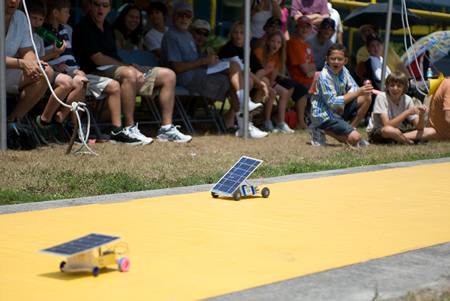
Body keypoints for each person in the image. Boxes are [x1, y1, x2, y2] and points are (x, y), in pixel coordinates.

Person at [73, 0, 192, 143]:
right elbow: (98, 59)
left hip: (116, 69)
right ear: (90, 5)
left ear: (110, 7)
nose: (101, 8)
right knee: (129, 73)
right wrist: (128, 68)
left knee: (169, 75)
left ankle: (166, 129)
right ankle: (128, 129)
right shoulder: (83, 27)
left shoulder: (108, 27)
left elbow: (112, 56)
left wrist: (128, 66)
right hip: (94, 72)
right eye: (97, 4)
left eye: (105, 5)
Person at [39, 0, 147, 145]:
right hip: (60, 72)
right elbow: (40, 58)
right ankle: (68, 123)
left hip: (76, 70)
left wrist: (77, 68)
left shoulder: (68, 30)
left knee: (114, 86)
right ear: (55, 13)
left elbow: (72, 54)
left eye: (106, 5)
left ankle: (117, 130)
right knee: (81, 81)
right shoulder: (41, 32)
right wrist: (55, 62)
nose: (70, 15)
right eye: (66, 12)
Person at [161, 2, 267, 138]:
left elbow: (190, 59)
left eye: (188, 16)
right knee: (234, 72)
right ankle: (244, 117)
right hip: (186, 78)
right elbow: (176, 68)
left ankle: (244, 124)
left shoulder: (187, 35)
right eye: (181, 15)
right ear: (174, 16)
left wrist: (204, 56)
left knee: (234, 71)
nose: (184, 18)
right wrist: (203, 61)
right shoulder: (171, 36)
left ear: (191, 18)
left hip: (199, 72)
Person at [309, 44, 372, 147]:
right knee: (355, 139)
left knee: (366, 97)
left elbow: (354, 87)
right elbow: (333, 103)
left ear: (345, 61)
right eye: (333, 58)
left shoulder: (344, 70)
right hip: (324, 115)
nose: (336, 62)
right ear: (327, 59)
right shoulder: (324, 76)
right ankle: (319, 128)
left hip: (338, 109)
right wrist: (354, 94)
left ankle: (351, 130)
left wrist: (348, 96)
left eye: (339, 59)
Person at [218, 20, 271, 136]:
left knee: (264, 80)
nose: (238, 36)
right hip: (224, 81)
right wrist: (259, 83)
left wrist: (259, 82)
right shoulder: (229, 48)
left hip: (241, 82)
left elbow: (261, 69)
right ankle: (234, 118)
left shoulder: (246, 49)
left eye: (242, 33)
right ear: (231, 34)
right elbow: (243, 69)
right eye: (235, 33)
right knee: (251, 81)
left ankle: (249, 121)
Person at [5, 0, 54, 124]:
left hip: (6, 72)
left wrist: (33, 63)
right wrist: (22, 64)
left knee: (45, 72)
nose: (13, 1)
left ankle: (13, 122)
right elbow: (22, 61)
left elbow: (26, 50)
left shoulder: (21, 17)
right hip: (9, 69)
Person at [366, 72, 433, 144]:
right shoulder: (381, 97)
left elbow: (419, 128)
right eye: (392, 85)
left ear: (404, 88)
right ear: (387, 86)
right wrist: (407, 112)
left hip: (397, 131)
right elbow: (387, 125)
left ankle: (397, 138)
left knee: (431, 131)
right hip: (380, 131)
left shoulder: (407, 99)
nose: (395, 88)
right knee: (389, 130)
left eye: (399, 86)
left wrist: (421, 114)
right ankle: (408, 142)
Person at [254, 31, 296, 133]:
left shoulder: (279, 56)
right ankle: (267, 122)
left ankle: (281, 123)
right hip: (258, 79)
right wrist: (268, 87)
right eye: (273, 41)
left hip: (268, 81)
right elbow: (255, 70)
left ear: (281, 45)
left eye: (278, 42)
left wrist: (270, 85)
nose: (275, 44)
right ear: (268, 42)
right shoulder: (259, 52)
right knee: (272, 92)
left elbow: (273, 76)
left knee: (285, 92)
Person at [286, 16, 316, 89]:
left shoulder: (307, 46)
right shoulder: (294, 43)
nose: (304, 29)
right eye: (302, 26)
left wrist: (312, 73)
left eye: (307, 27)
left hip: (310, 80)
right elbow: (305, 70)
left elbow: (314, 67)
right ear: (296, 28)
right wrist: (310, 69)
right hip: (301, 82)